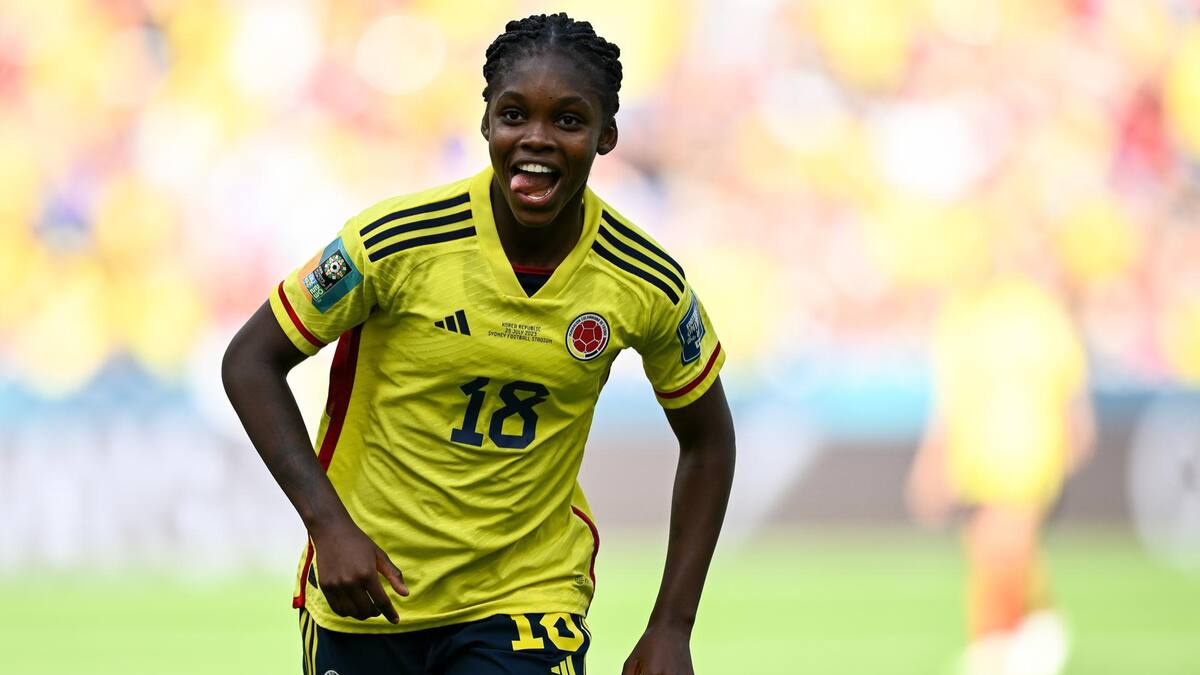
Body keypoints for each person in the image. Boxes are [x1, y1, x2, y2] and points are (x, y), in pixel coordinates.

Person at [222, 13, 735, 675]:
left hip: (527, 597)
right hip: (371, 587)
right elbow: (250, 361)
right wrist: (328, 525)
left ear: (606, 135)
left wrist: (672, 625)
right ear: (486, 122)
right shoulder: (394, 243)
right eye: (514, 115)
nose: (537, 139)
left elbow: (708, 441)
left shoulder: (644, 280)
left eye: (568, 120)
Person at [907, 273, 1094, 675]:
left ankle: (994, 651)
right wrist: (934, 463)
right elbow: (949, 402)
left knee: (999, 554)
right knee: (994, 554)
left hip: (1025, 456)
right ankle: (1037, 631)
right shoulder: (966, 316)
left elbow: (1069, 396)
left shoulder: (1036, 315)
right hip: (981, 461)